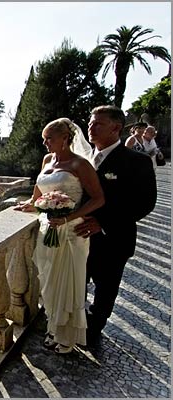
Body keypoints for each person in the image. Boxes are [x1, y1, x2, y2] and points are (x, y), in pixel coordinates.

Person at [15, 118, 104, 354]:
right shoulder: (47, 160)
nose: (45, 143)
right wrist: (30, 204)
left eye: (49, 138)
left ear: (65, 138)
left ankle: (67, 337)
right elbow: (38, 194)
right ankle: (53, 329)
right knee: (48, 280)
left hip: (72, 231)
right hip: (47, 228)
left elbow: (98, 198)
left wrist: (69, 216)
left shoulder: (80, 164)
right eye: (44, 138)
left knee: (69, 281)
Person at [73, 105, 157, 346]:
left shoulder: (136, 162)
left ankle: (94, 330)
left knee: (105, 289)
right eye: (90, 123)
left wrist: (103, 222)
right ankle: (74, 324)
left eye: (98, 123)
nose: (91, 127)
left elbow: (144, 203)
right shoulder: (82, 158)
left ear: (116, 128)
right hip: (78, 237)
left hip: (113, 239)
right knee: (77, 282)